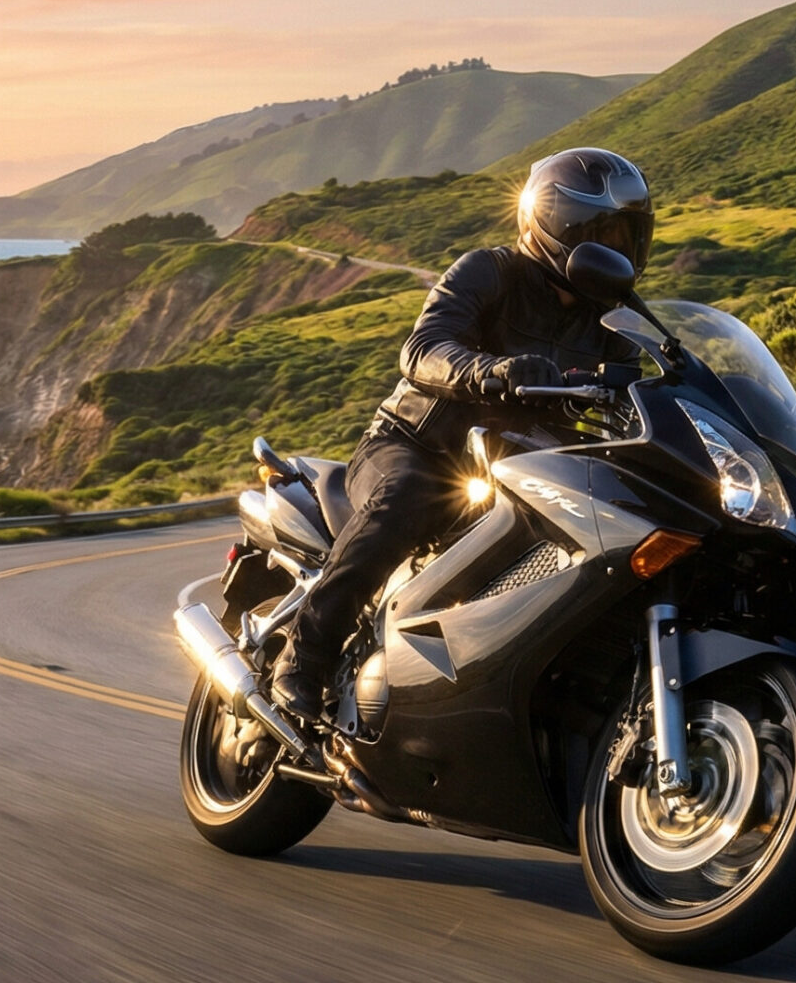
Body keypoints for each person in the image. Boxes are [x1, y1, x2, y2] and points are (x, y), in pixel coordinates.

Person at [263, 146, 655, 723]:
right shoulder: (489, 271)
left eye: (628, 236)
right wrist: (491, 372)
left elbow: (639, 393)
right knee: (406, 500)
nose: (618, 252)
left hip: (519, 470)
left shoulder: (613, 326)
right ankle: (303, 659)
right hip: (418, 445)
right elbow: (422, 350)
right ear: (559, 227)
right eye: (605, 234)